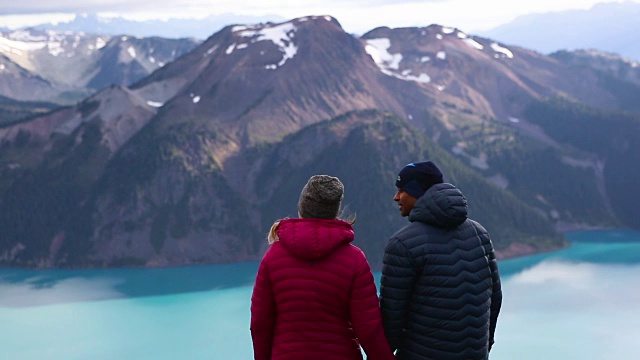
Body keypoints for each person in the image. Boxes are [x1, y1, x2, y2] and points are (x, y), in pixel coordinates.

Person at [250, 175, 395, 360]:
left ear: (301, 207)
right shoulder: (355, 259)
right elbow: (369, 329)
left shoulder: (273, 257)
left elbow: (260, 324)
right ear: (335, 211)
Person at [380, 161, 502, 360]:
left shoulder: (402, 244)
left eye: (401, 190)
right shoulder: (479, 233)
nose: (396, 197)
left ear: (418, 192)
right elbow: (495, 299)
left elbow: (391, 318)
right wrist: (483, 347)